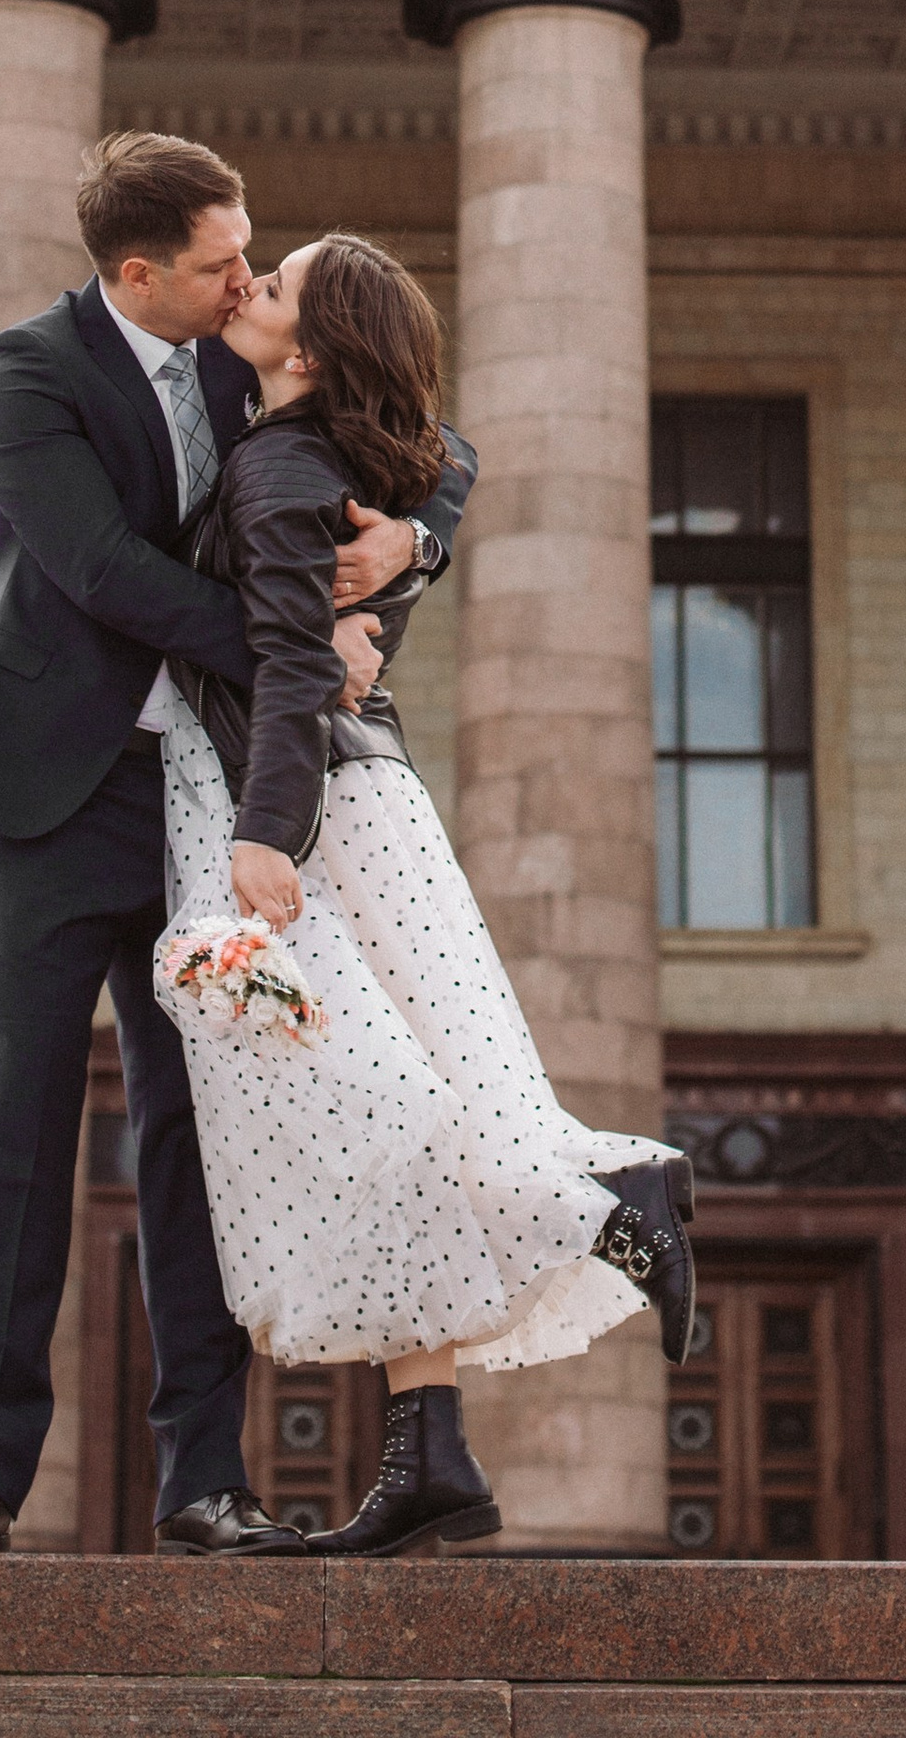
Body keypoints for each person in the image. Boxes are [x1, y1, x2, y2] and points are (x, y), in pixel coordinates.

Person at [0, 132, 457, 1563]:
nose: (247, 278)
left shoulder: (244, 350)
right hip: (54, 798)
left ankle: (202, 1482)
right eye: (223, 262)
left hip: (207, 799)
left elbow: (428, 438)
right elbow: (97, 572)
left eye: (250, 254)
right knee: (15, 1130)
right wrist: (304, 643)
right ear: (137, 273)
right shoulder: (26, 375)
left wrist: (412, 542)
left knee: (198, 1137)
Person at [155, 229, 697, 1562]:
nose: (248, 290)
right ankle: (431, 1453)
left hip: (294, 815)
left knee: (356, 1094)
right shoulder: (319, 451)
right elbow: (443, 459)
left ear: (312, 349)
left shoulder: (282, 466)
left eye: (270, 286)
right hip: (356, 798)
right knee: (395, 1092)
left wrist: (265, 839)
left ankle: (606, 1211)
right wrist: (409, 548)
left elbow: (290, 666)